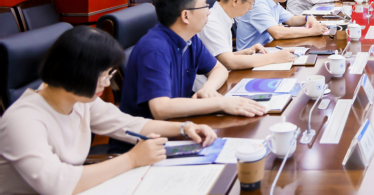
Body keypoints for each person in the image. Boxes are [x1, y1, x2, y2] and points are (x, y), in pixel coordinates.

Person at [0, 27, 217, 195]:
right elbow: (57, 184)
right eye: (102, 75)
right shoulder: (22, 120)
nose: (106, 84)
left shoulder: (79, 100)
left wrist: (184, 127)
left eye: (110, 74)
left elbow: (128, 124)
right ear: (76, 72)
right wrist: (132, 159)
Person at [119, 0, 268, 124]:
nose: (208, 12)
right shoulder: (154, 49)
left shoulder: (190, 38)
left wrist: (208, 88)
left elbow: (219, 69)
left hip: (180, 122)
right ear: (186, 16)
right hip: (149, 135)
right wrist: (221, 103)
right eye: (204, 7)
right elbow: (161, 109)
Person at [195, 0, 295, 88]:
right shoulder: (212, 22)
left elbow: (218, 57)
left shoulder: (223, 18)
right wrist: (274, 57)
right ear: (236, 1)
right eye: (251, 3)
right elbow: (229, 62)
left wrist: (245, 51)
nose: (252, 7)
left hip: (224, 81)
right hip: (208, 90)